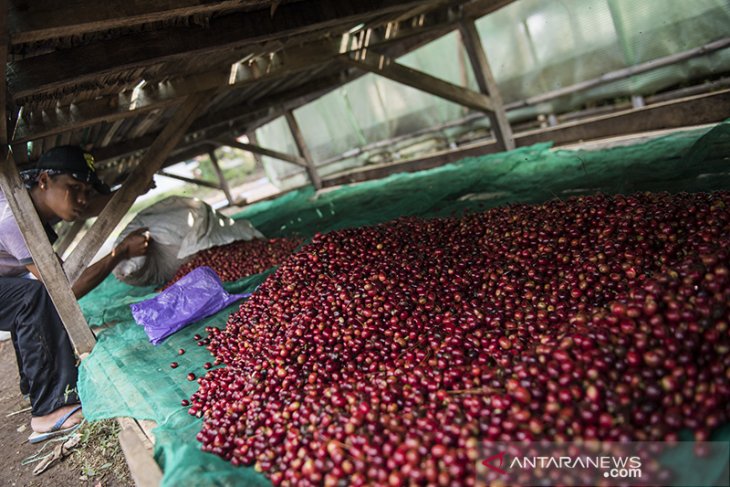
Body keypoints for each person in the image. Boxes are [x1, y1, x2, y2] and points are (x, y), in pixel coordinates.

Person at [0, 145, 151, 443]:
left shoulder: (33, 202)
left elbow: (88, 206)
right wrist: (118, 254)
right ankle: (49, 410)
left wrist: (134, 187)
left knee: (25, 297)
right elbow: (64, 292)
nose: (82, 198)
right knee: (35, 298)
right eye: (74, 188)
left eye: (87, 191)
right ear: (44, 180)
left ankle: (33, 384)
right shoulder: (14, 218)